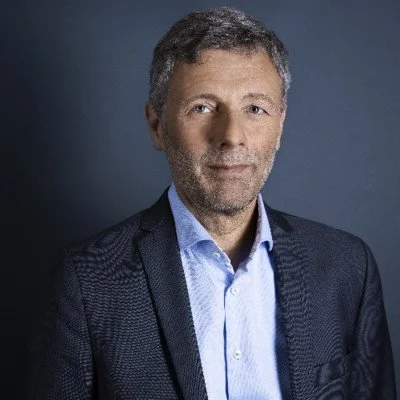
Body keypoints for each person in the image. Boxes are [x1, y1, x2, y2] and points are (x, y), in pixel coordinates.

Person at [29, 7, 396, 400]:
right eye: (202, 108)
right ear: (157, 125)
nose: (232, 136)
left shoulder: (347, 268)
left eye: (255, 108)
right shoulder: (87, 280)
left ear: (280, 125)